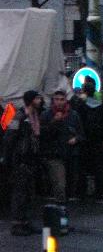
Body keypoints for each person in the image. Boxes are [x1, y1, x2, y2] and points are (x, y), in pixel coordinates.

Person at [3, 90, 42, 236]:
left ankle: (26, 222)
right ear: (31, 100)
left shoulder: (34, 116)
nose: (40, 101)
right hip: (20, 160)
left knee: (29, 193)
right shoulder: (19, 115)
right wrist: (9, 160)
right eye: (37, 99)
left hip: (30, 160)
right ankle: (17, 224)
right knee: (19, 193)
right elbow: (9, 138)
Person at [40, 90, 84, 204]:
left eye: (61, 99)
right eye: (56, 99)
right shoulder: (47, 115)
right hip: (54, 152)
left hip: (70, 153)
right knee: (60, 182)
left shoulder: (73, 115)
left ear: (66, 100)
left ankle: (64, 202)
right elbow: (42, 133)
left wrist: (76, 139)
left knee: (70, 181)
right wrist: (54, 121)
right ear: (53, 101)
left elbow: (81, 133)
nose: (59, 102)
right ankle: (60, 204)